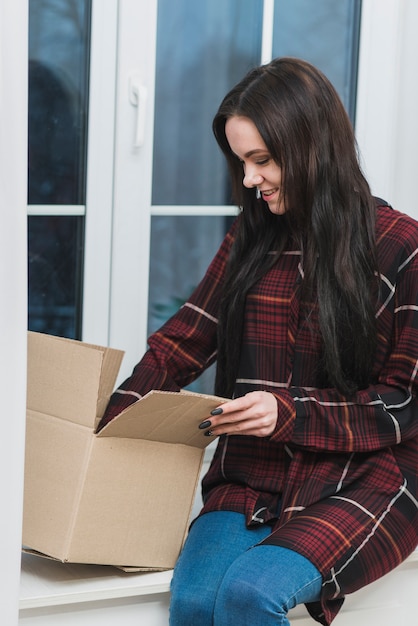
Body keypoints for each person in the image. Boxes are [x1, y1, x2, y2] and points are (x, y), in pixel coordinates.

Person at [99, 57, 418, 625]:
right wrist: (106, 427)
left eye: (262, 160)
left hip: (367, 475)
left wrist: (287, 412)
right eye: (241, 162)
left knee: (249, 593)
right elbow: (182, 343)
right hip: (252, 472)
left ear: (313, 144)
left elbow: (404, 403)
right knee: (196, 601)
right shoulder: (253, 236)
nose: (248, 180)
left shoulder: (402, 247)